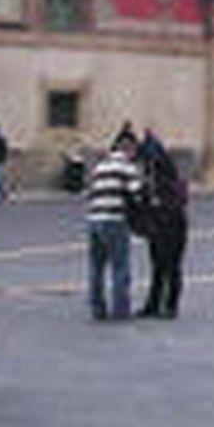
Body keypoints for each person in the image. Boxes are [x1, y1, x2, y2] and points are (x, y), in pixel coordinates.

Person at [86, 126, 144, 320]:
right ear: (129, 148)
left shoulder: (100, 166)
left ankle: (98, 309)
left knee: (96, 268)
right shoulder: (126, 167)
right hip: (114, 220)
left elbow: (90, 192)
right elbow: (137, 194)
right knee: (120, 267)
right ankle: (121, 310)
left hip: (94, 220)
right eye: (135, 150)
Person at [137, 140, 188, 319]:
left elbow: (178, 202)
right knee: (157, 268)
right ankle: (153, 304)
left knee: (172, 267)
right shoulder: (149, 180)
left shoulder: (172, 180)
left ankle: (171, 306)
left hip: (173, 228)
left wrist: (158, 203)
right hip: (157, 229)